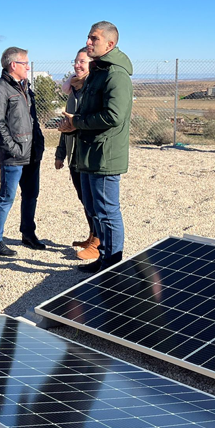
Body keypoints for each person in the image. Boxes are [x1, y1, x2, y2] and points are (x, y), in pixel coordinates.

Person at [58, 21, 133, 273]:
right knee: (94, 210)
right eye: (88, 38)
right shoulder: (99, 71)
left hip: (104, 155)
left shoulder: (116, 75)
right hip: (89, 153)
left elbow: (113, 116)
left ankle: (113, 264)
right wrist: (73, 126)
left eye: (94, 39)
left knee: (107, 211)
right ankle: (104, 257)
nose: (88, 42)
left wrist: (76, 122)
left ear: (110, 44)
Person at [0, 46, 45, 256]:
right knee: (7, 196)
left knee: (31, 195)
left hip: (32, 153)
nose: (28, 67)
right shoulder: (0, 89)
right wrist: (13, 148)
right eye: (25, 63)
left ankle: (28, 234)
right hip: (14, 155)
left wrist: (39, 143)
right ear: (13, 65)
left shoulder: (25, 88)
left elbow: (33, 120)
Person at [54, 47, 99, 260]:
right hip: (74, 156)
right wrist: (60, 153)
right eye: (75, 62)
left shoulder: (94, 89)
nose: (77, 65)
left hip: (88, 155)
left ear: (92, 64)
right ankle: (92, 236)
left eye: (82, 62)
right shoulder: (74, 90)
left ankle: (99, 242)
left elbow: (89, 123)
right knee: (84, 199)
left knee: (95, 202)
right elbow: (67, 124)